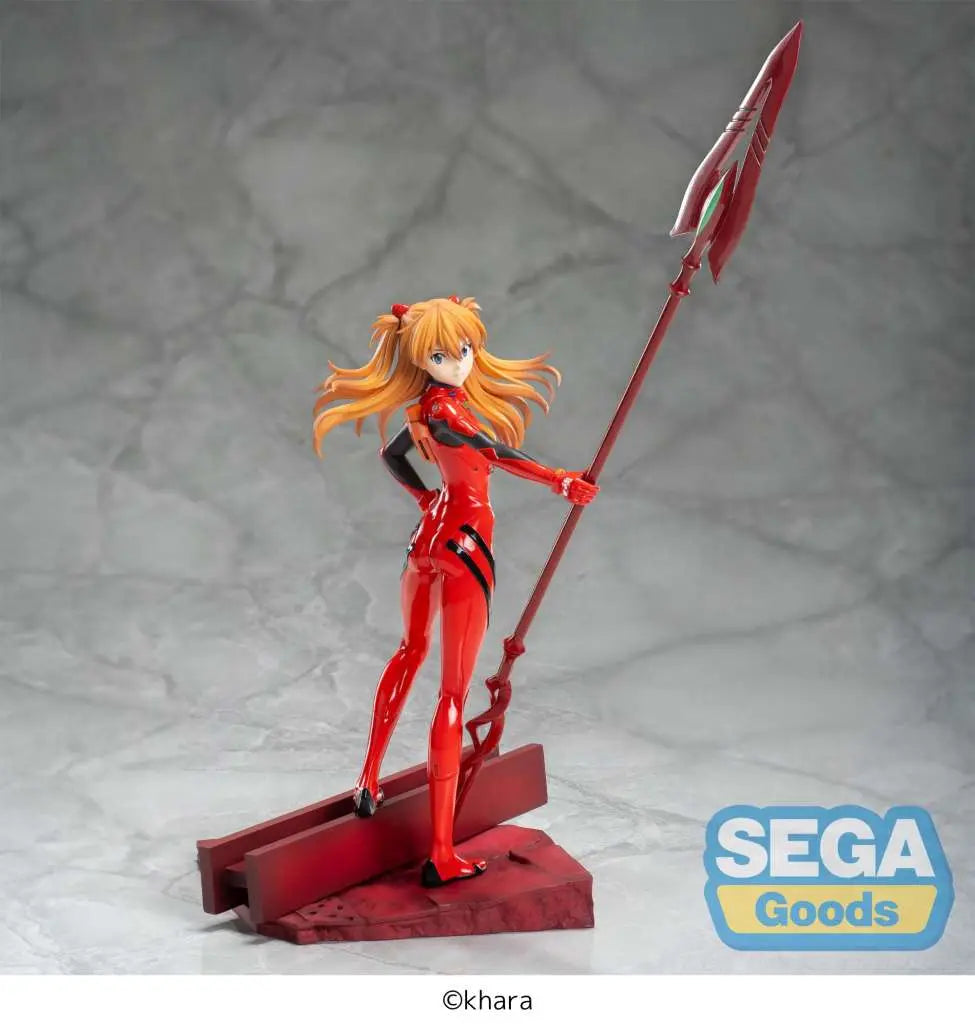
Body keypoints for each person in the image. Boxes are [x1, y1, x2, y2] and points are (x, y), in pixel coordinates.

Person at [313, 295, 597, 886]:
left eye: (465, 349)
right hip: (464, 548)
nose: (460, 361)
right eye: (443, 354)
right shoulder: (445, 412)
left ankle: (368, 779)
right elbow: (490, 451)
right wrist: (558, 480)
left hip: (425, 541)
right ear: (421, 358)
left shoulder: (422, 410)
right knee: (452, 692)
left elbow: (392, 455)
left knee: (409, 651)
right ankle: (440, 855)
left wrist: (426, 498)